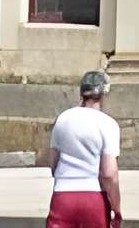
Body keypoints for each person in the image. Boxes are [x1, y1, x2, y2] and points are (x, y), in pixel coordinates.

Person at [47, 69, 122, 228]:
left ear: (81, 93)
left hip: (63, 197)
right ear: (103, 95)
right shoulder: (108, 124)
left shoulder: (62, 119)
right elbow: (109, 174)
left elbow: (53, 165)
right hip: (93, 198)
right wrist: (116, 208)